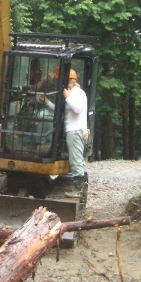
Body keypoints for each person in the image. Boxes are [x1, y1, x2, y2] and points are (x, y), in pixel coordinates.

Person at [39, 69, 88, 198]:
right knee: (78, 159)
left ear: (69, 80)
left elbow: (77, 109)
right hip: (73, 130)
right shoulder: (73, 93)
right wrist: (46, 101)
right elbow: (60, 111)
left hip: (75, 130)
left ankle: (78, 189)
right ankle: (83, 187)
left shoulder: (77, 93)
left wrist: (67, 97)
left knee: (75, 159)